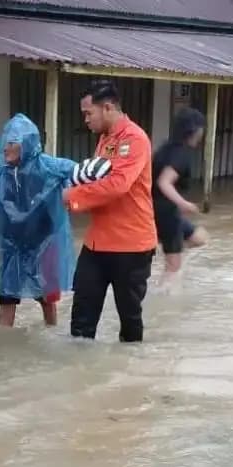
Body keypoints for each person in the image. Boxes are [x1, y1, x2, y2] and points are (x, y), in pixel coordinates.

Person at [0, 114, 77, 327]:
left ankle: (51, 339)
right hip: (13, 248)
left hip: (44, 243)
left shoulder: (47, 166)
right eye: (5, 143)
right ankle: (3, 351)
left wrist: (73, 192)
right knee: (7, 298)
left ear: (27, 144)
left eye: (12, 143)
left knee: (47, 300)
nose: (5, 148)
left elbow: (77, 172)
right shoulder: (2, 174)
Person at [64, 80, 157, 343]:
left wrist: (72, 197)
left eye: (88, 113)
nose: (85, 120)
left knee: (129, 319)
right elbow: (95, 181)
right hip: (97, 243)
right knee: (81, 316)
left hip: (131, 245)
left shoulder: (134, 139)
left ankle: (129, 377)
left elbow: (118, 185)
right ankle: (81, 375)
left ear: (107, 108)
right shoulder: (105, 140)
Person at [153, 108, 209, 288]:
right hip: (166, 213)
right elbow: (164, 182)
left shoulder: (165, 148)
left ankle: (170, 256)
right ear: (195, 130)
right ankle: (164, 301)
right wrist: (184, 203)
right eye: (202, 128)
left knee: (199, 238)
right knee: (174, 268)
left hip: (156, 209)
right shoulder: (181, 153)